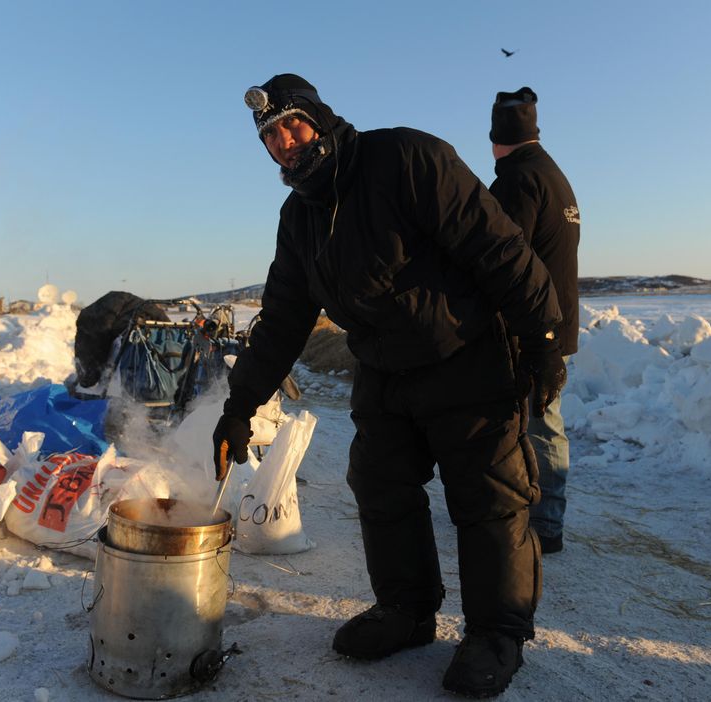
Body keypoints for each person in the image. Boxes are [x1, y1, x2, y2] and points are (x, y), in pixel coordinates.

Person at [212, 74, 566, 698]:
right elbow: (283, 321)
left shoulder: (404, 157)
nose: (286, 142)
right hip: (382, 369)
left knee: (489, 498)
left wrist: (542, 340)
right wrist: (239, 406)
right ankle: (406, 611)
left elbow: (500, 248)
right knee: (380, 486)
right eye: (271, 136)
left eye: (293, 124)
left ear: (320, 119)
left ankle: (496, 633)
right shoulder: (299, 219)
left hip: (467, 355)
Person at [488, 88, 580, 555]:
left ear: (497, 136)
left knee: (536, 422)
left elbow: (502, 255)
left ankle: (544, 524)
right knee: (541, 417)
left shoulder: (518, 179)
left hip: (531, 326)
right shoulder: (553, 175)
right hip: (555, 321)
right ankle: (539, 512)